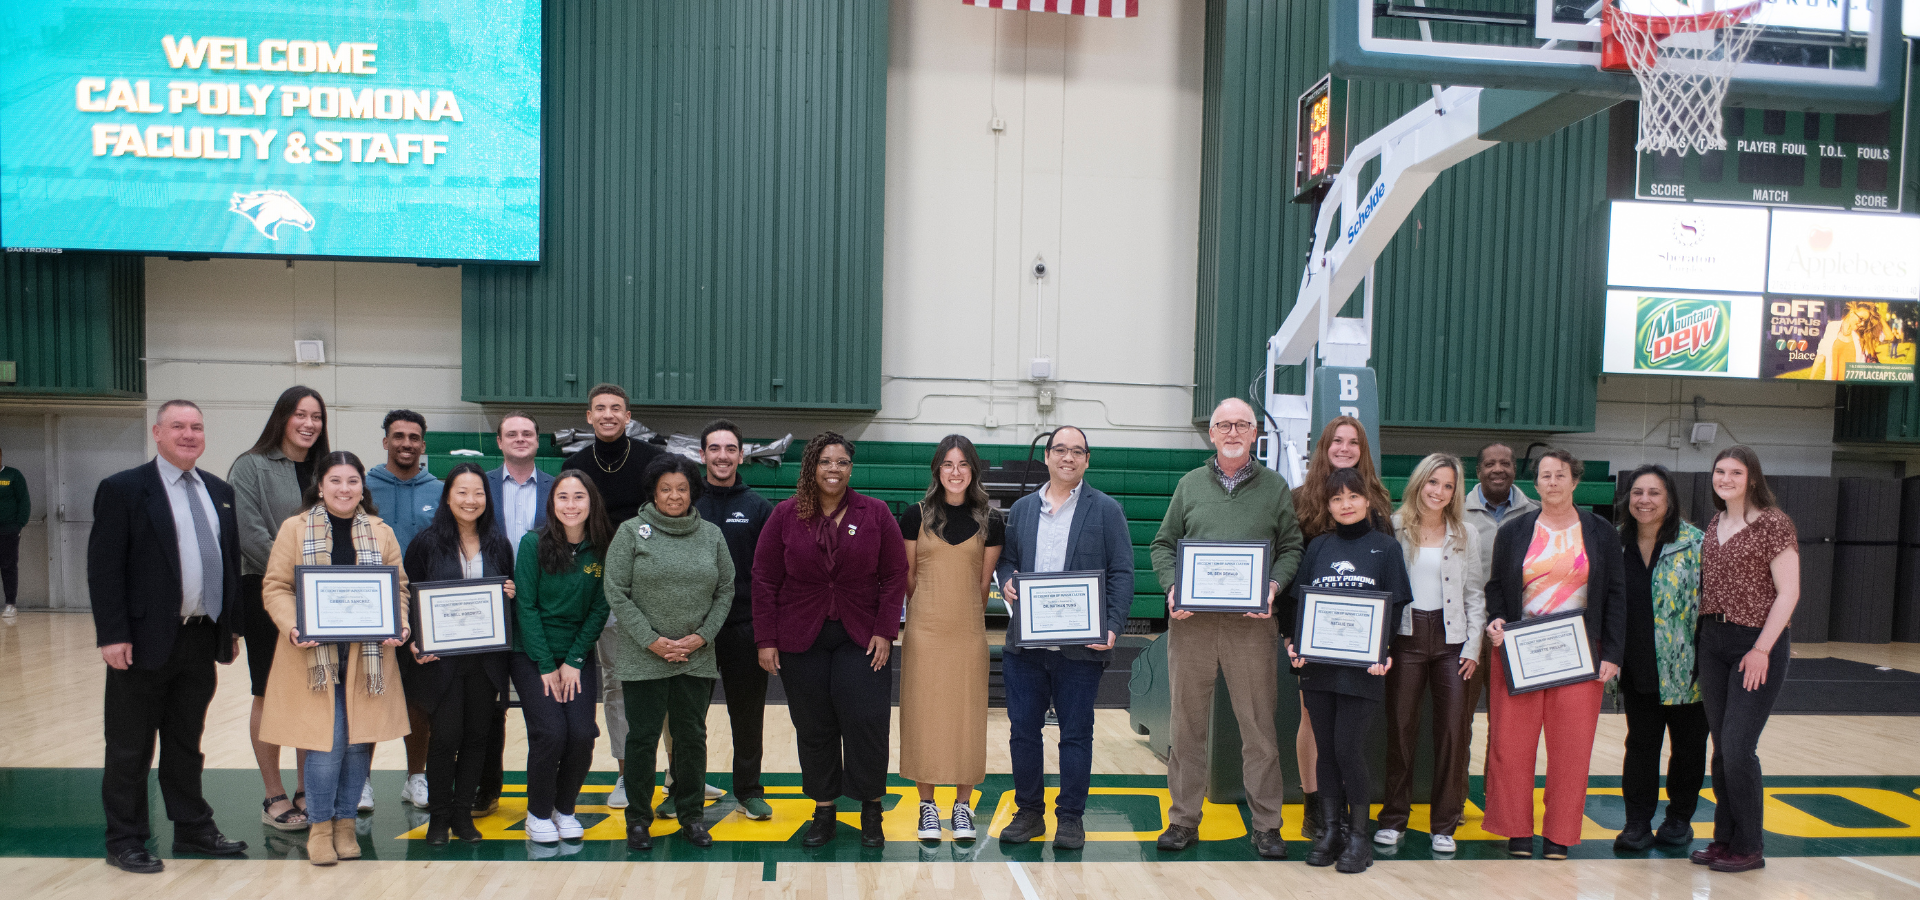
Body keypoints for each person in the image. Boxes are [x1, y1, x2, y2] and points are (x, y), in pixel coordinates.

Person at [89, 400, 247, 874]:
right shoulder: (124, 489)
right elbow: (104, 568)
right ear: (157, 432)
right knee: (130, 746)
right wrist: (112, 633)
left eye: (196, 427)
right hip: (141, 641)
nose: (188, 434)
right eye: (178, 426)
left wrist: (231, 625)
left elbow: (229, 563)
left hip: (200, 638)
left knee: (186, 741)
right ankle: (126, 838)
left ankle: (193, 827)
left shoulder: (219, 491)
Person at [1148, 398, 1304, 860]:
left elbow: (1292, 547)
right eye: (1224, 425)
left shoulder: (1275, 487)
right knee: (1187, 726)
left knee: (1258, 728)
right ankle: (1182, 821)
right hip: (1192, 625)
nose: (1233, 431)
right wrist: (1173, 586)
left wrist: (1274, 585)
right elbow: (1162, 544)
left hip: (1251, 627)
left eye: (1242, 424)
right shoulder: (1189, 484)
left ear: (1255, 434)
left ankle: (1267, 825)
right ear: (1211, 434)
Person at [752, 432, 909, 849]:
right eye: (825, 462)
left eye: (841, 462)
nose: (833, 469)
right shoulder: (786, 515)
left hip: (862, 635)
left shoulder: (874, 513)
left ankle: (871, 807)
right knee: (814, 727)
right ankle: (824, 808)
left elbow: (895, 575)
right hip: (800, 636)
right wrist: (766, 638)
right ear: (811, 468)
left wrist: (885, 630)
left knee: (866, 723)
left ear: (850, 469)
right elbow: (764, 578)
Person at [259, 451, 411, 867]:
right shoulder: (295, 528)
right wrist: (294, 625)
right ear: (320, 486)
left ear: (364, 486)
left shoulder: (380, 532)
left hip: (368, 656)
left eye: (352, 481)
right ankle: (320, 827)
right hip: (313, 657)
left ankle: (346, 825)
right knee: (327, 744)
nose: (345, 489)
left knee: (360, 743)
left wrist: (401, 623)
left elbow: (398, 588)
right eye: (335, 481)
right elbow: (275, 587)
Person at [994, 425, 1133, 851]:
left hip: (1081, 647)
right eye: (1060, 450)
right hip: (1027, 646)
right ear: (1048, 457)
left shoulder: (1106, 510)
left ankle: (1070, 817)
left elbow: (1123, 572)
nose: (1068, 457)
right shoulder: (1020, 509)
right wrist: (1006, 582)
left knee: (1076, 733)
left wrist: (1111, 626)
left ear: (1086, 460)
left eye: (1077, 452)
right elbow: (1006, 562)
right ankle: (1029, 813)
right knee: (1023, 731)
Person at [1483, 449, 1624, 860]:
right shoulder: (1513, 531)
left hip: (1581, 653)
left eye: (1560, 475)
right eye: (1545, 476)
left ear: (1575, 480)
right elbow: (1496, 588)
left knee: (1572, 749)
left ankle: (1560, 834)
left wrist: (1612, 653)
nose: (1552, 482)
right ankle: (1517, 831)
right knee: (1510, 746)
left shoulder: (1600, 532)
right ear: (1535, 483)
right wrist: (1495, 619)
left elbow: (1616, 596)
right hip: (1520, 651)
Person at [605, 455, 735, 851]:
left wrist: (701, 637)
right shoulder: (630, 533)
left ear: (693, 490)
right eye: (666, 489)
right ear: (653, 492)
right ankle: (639, 820)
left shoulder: (711, 534)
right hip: (644, 657)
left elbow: (726, 589)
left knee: (691, 738)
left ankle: (692, 816)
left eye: (681, 488)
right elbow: (615, 590)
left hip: (695, 657)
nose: (674, 495)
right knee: (642, 739)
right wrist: (652, 641)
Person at [1285, 467, 1411, 874]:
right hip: (1319, 666)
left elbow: (1394, 607)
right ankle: (1332, 830)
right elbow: (1299, 604)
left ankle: (1359, 836)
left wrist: (1384, 648)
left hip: (1362, 667)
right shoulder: (1318, 547)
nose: (1345, 504)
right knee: (1325, 750)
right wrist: (1295, 644)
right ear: (1328, 505)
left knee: (1348, 749)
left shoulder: (1386, 548)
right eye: (1337, 499)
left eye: (1352, 497)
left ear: (1367, 500)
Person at [1692, 446, 1799, 873]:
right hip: (1712, 639)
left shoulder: (1774, 523)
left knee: (1738, 749)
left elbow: (1788, 593)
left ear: (1752, 478)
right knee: (1721, 749)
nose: (1727, 478)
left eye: (1736, 472)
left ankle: (1750, 845)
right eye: (1720, 471)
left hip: (1756, 642)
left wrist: (1761, 649)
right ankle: (1725, 838)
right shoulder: (1716, 522)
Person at [228, 385, 329, 831]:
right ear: (282, 417)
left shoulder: (327, 470)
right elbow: (249, 533)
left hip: (323, 597)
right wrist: (294, 579)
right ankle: (273, 794)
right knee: (268, 693)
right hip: (266, 593)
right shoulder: (249, 466)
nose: (309, 424)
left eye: (317, 417)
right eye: (300, 415)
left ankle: (308, 787)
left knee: (313, 689)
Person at [1287, 415, 1392, 839]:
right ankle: (1315, 806)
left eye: (1353, 442)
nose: (1344, 448)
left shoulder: (1379, 502)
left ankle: (1346, 810)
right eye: (1337, 441)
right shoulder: (1299, 500)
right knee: (1311, 720)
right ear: (1324, 447)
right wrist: (1293, 634)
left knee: (1349, 733)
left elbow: (1384, 577)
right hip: (1313, 636)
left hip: (1360, 639)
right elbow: (1292, 566)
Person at [1375, 453, 1486, 855]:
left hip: (1451, 641)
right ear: (1419, 483)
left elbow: (1475, 594)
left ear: (1455, 492)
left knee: (1452, 734)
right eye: (1433, 482)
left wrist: (1474, 645)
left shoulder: (1466, 533)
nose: (1439, 491)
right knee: (1401, 730)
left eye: (1448, 485)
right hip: (1405, 637)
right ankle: (1393, 819)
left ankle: (1444, 823)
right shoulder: (1394, 526)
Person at [559, 383, 664, 806]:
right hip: (597, 583)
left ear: (627, 415)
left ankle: (678, 771)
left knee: (664, 680)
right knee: (616, 682)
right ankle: (627, 772)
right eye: (599, 408)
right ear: (588, 416)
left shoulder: (650, 460)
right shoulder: (575, 464)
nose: (607, 414)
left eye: (615, 408)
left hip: (647, 585)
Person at [401, 463, 515, 846]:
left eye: (478, 492)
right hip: (442, 661)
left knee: (477, 737)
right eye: (462, 492)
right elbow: (410, 598)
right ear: (447, 497)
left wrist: (508, 596)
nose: (471, 500)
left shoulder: (499, 544)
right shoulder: (426, 543)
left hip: (486, 661)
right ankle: (438, 818)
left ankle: (464, 815)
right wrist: (415, 638)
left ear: (488, 498)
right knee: (445, 736)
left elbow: (507, 601)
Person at [898, 435, 1004, 841]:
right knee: (923, 715)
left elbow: (982, 585)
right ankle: (927, 807)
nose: (955, 472)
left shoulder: (991, 522)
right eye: (947, 464)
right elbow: (908, 579)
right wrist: (929, 609)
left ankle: (962, 807)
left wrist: (960, 615)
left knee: (966, 718)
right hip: (924, 632)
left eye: (963, 464)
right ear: (937, 470)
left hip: (967, 634)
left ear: (973, 470)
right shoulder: (915, 515)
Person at [509, 471, 612, 845]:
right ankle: (537, 813)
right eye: (563, 497)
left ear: (591, 503)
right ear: (552, 504)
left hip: (576, 656)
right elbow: (526, 606)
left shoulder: (604, 547)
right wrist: (548, 665)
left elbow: (600, 609)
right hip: (532, 655)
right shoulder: (531, 544)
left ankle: (563, 809)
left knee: (582, 734)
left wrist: (574, 659)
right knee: (551, 732)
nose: (571, 505)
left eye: (579, 497)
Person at [1611, 464, 1708, 853]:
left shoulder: (1697, 543)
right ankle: (1637, 823)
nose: (1645, 500)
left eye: (1654, 493)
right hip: (1636, 666)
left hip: (1689, 668)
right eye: (1637, 493)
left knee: (1688, 748)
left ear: (1669, 500)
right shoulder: (1614, 542)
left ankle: (1679, 819)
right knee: (1641, 745)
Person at [692, 419, 775, 821]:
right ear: (702, 454)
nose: (722, 456)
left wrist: (766, 634)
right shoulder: (686, 502)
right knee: (689, 718)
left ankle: (748, 789)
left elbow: (770, 576)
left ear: (741, 455)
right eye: (714, 448)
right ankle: (685, 789)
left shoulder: (758, 508)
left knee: (747, 716)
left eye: (730, 448)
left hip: (744, 627)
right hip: (694, 631)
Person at [367, 409, 442, 813]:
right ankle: (360, 781)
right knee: (369, 692)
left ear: (423, 445)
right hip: (371, 611)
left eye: (414, 437)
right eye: (398, 436)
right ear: (385, 442)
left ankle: (416, 777)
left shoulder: (440, 491)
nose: (406, 443)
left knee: (419, 699)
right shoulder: (363, 487)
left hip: (422, 609)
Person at [479, 410, 552, 814]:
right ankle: (486, 788)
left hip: (538, 613)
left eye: (528, 433)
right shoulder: (480, 487)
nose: (520, 439)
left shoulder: (559, 490)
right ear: (500, 442)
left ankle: (543, 792)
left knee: (541, 708)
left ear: (538, 441)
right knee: (489, 705)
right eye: (512, 434)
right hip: (487, 609)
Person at [1458, 441, 1538, 788]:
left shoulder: (1535, 513)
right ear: (1478, 471)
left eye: (1505, 463)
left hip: (1515, 632)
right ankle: (1455, 796)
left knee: (1507, 723)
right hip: (1466, 630)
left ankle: (1497, 795)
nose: (1498, 469)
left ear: (1514, 469)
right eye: (1490, 463)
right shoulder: (1456, 512)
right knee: (1459, 721)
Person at [0, 442, 28, 619]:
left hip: (8, 529)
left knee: (8, 566)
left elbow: (23, 501)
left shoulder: (12, 475)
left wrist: (19, 524)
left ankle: (10, 604)